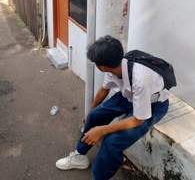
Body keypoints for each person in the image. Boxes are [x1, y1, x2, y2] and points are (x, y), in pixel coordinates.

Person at [56, 35, 169, 180]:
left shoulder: (140, 79)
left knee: (112, 141)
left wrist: (102, 130)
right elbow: (104, 90)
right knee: (95, 115)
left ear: (101, 66)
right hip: (129, 97)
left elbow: (138, 120)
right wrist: (90, 113)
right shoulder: (114, 66)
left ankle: (100, 177)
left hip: (153, 105)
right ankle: (79, 156)